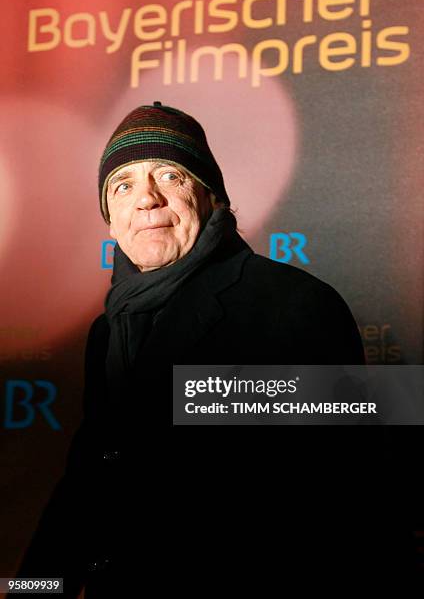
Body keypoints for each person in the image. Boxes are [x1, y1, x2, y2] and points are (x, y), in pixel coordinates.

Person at [13, 102, 369, 597]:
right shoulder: (107, 332)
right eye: (123, 185)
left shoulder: (297, 305)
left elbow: (351, 504)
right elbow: (85, 491)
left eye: (170, 176)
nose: (146, 200)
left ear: (212, 198)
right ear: (111, 219)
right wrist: (33, 590)